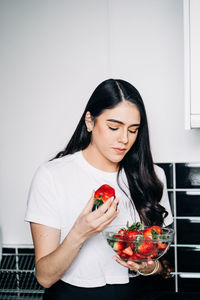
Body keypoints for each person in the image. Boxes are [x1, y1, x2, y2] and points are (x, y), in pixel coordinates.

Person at [25, 79, 173, 300]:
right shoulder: (52, 176)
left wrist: (148, 268)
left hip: (138, 294)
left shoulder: (151, 175)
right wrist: (80, 232)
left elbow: (163, 264)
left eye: (133, 130)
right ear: (90, 121)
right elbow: (44, 277)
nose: (124, 139)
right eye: (113, 127)